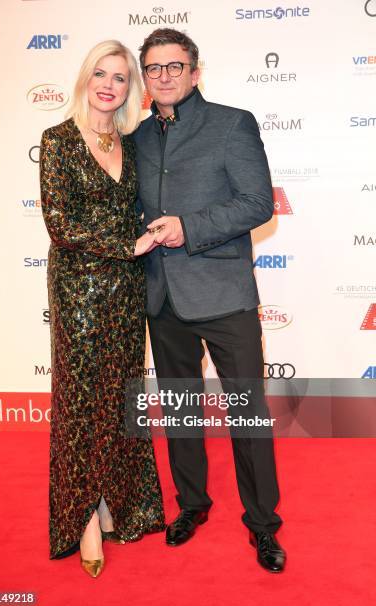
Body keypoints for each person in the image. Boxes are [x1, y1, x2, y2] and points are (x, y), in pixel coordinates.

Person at [134, 28, 286, 573]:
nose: (165, 76)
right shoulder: (138, 138)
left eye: (175, 66)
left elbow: (257, 204)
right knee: (179, 414)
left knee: (247, 417)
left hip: (225, 297)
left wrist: (188, 228)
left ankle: (264, 525)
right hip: (163, 297)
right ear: (146, 78)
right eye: (154, 68)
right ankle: (191, 506)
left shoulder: (231, 123)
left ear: (195, 72)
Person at [39, 40, 165, 578]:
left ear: (128, 86)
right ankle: (84, 515)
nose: (109, 84)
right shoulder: (58, 140)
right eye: (101, 74)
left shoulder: (132, 144)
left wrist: (152, 234)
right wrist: (127, 245)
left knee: (120, 396)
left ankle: (117, 499)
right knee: (80, 399)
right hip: (78, 292)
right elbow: (59, 224)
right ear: (86, 79)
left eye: (119, 76)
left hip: (126, 291)